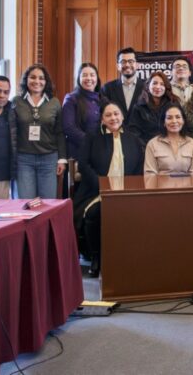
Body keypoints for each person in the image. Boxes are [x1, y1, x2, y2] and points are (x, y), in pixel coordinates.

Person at [75, 102, 144, 277]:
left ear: (122, 116)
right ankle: (96, 257)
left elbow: (138, 168)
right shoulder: (92, 138)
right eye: (108, 115)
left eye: (116, 114)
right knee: (94, 213)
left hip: (126, 193)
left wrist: (128, 190)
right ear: (102, 119)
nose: (113, 118)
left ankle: (126, 256)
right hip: (95, 191)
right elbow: (83, 165)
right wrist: (102, 186)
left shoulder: (134, 139)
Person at [13, 64, 67, 199]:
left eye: (41, 78)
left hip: (49, 158)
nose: (37, 81)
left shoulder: (54, 102)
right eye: (33, 77)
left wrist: (61, 159)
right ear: (26, 80)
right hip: (24, 159)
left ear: (46, 81)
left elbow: (60, 132)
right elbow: (12, 132)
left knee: (48, 202)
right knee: (25, 202)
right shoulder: (16, 101)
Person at [143, 103, 193, 175]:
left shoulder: (192, 144)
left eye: (178, 117)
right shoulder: (153, 144)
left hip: (187, 182)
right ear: (163, 122)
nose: (174, 121)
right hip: (161, 182)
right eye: (169, 118)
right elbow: (150, 175)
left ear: (183, 121)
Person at [62, 62, 105, 161]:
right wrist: (91, 142)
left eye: (92, 75)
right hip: (78, 153)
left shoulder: (103, 99)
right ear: (79, 78)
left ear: (97, 78)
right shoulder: (71, 99)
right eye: (84, 75)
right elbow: (69, 128)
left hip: (100, 153)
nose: (89, 78)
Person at [127, 72, 178, 144]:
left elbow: (180, 128)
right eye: (154, 83)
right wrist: (148, 147)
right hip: (146, 147)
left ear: (166, 87)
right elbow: (134, 133)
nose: (158, 87)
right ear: (148, 85)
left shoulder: (173, 104)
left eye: (162, 84)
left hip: (171, 146)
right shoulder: (139, 107)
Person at [100, 47, 145, 118]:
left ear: (137, 65)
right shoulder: (107, 89)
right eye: (123, 62)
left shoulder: (147, 87)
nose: (127, 65)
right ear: (118, 66)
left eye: (130, 61)